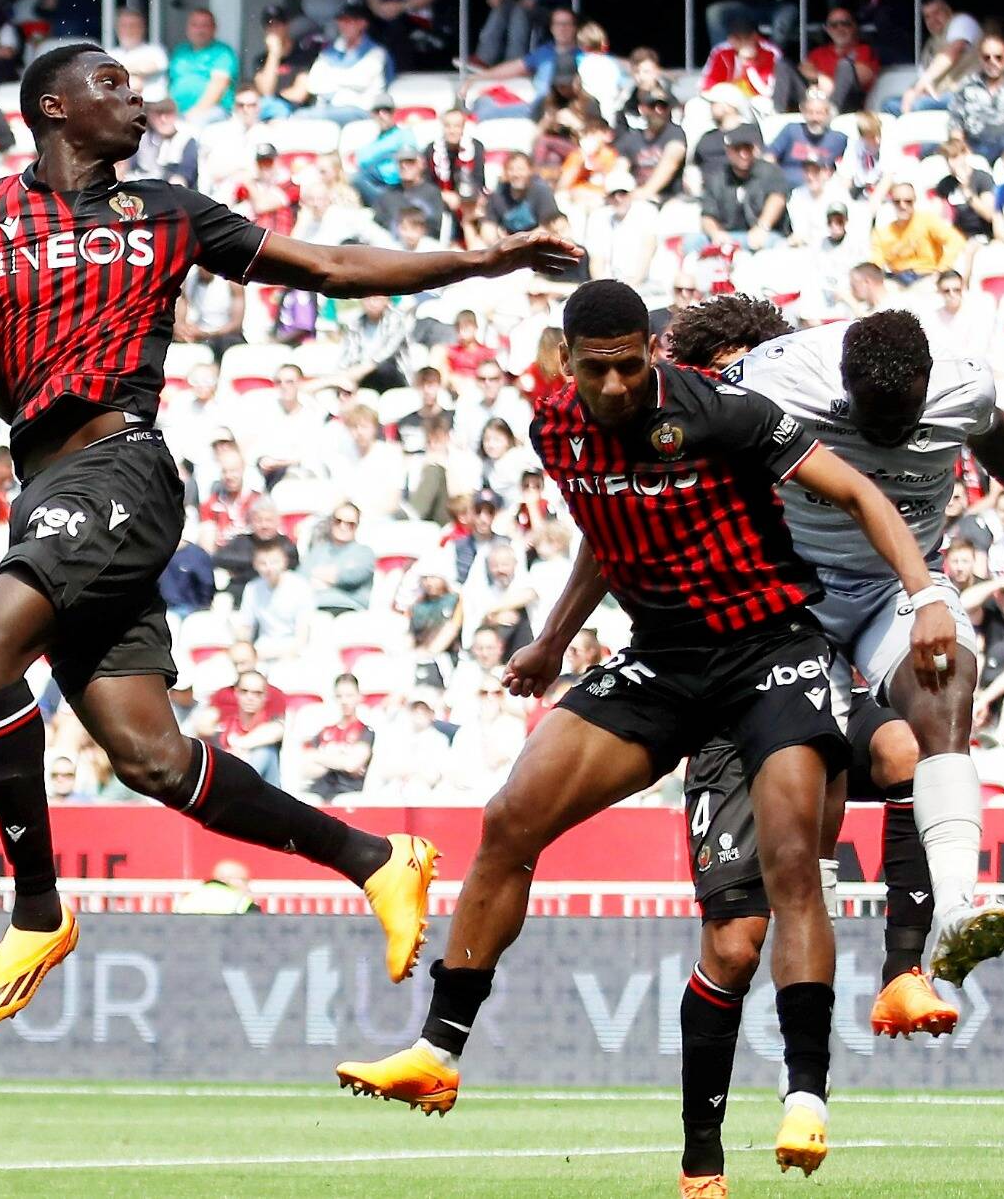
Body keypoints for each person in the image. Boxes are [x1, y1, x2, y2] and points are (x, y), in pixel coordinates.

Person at [0, 40, 579, 1030]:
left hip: (122, 467)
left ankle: (35, 909)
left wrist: (480, 259)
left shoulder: (167, 213)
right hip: (50, 489)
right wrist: (25, 427)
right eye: (112, 85)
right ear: (52, 106)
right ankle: (377, 860)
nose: (138, 102)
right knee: (151, 760)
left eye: (137, 87)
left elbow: (329, 266)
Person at [337, 280, 957, 1181]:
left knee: (792, 865)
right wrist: (553, 638)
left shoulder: (720, 412)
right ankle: (438, 1050)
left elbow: (858, 489)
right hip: (665, 659)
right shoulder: (554, 429)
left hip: (768, 651)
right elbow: (607, 531)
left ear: (652, 353)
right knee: (510, 816)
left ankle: (806, 1097)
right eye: (598, 369)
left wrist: (927, 595)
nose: (618, 384)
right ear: (567, 361)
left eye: (631, 365)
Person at [669, 297, 1004, 977]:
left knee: (948, 683)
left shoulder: (965, 382)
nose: (887, 435)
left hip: (899, 586)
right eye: (872, 419)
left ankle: (956, 905)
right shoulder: (779, 374)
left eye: (903, 419)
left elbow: (996, 432)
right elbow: (685, 420)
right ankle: (814, 933)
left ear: (927, 385)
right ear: (842, 385)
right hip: (796, 588)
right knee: (814, 750)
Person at [166, 8, 237, 126]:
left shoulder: (223, 52)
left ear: (214, 29)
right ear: (187, 29)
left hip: (212, 111)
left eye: (205, 26)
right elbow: (172, 84)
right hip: (179, 112)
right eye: (195, 25)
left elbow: (218, 86)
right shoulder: (180, 51)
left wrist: (194, 114)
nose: (199, 30)